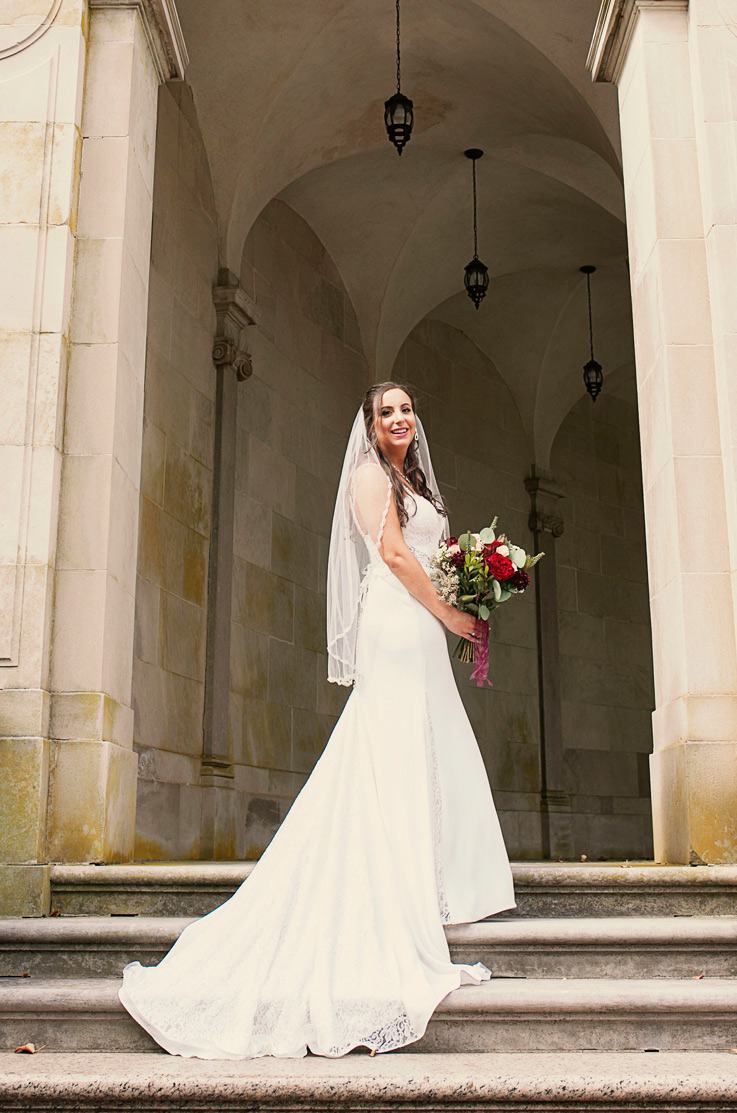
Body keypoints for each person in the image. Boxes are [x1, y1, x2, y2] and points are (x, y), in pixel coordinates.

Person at [119, 382, 515, 1059]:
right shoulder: (368, 473)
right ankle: (390, 899)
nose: (398, 417)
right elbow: (391, 555)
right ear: (369, 425)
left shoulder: (411, 475)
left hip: (420, 628)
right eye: (385, 410)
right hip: (396, 627)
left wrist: (466, 583)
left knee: (423, 752)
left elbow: (427, 554)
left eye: (406, 407)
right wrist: (450, 614)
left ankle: (427, 883)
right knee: (389, 754)